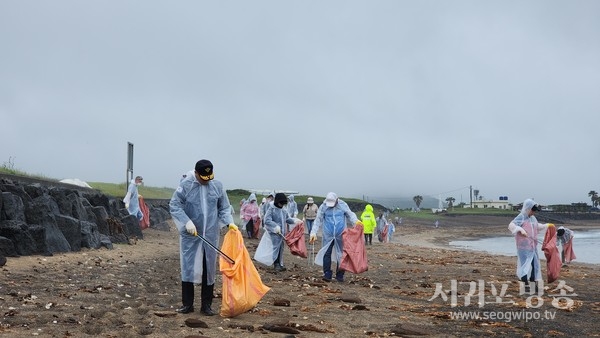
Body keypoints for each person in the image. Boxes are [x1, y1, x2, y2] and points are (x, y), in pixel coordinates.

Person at [169, 159, 237, 315]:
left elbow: (224, 208)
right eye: (203, 177)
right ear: (197, 173)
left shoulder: (217, 186)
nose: (206, 181)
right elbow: (174, 205)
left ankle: (206, 305)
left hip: (211, 234)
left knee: (209, 268)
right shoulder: (186, 185)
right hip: (191, 235)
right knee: (188, 267)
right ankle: (187, 304)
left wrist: (229, 222)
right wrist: (186, 222)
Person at [309, 192, 362, 282]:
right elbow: (318, 220)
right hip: (328, 235)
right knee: (326, 253)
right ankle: (327, 273)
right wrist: (313, 232)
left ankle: (340, 274)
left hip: (340, 235)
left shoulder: (343, 205)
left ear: (337, 200)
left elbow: (350, 214)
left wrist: (356, 221)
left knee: (341, 255)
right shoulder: (323, 206)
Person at [508, 199, 553, 293]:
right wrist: (520, 229)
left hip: (532, 246)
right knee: (525, 265)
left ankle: (533, 283)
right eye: (532, 210)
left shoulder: (532, 218)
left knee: (534, 265)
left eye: (534, 211)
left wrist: (547, 225)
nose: (533, 213)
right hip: (523, 247)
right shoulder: (521, 217)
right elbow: (511, 225)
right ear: (528, 208)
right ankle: (525, 284)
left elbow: (537, 227)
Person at [263, 192, 301, 271]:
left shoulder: (283, 210)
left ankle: (280, 264)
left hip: (282, 233)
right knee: (275, 248)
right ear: (277, 202)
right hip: (274, 232)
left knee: (281, 248)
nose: (282, 205)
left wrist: (295, 221)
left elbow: (287, 219)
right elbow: (267, 220)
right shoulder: (271, 209)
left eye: (283, 204)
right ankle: (276, 264)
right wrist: (275, 226)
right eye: (281, 203)